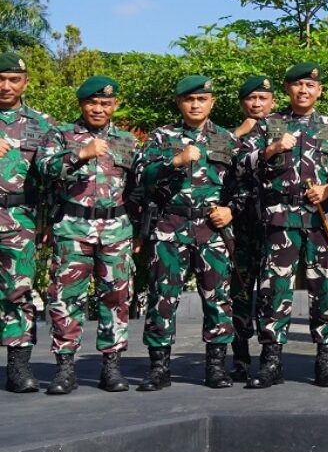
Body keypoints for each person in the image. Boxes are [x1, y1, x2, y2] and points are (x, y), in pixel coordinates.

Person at [239, 62, 328, 389]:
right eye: (297, 85)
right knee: (275, 288)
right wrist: (272, 148)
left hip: (320, 221)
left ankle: (326, 362)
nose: (304, 90)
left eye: (310, 86)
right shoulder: (268, 125)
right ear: (287, 89)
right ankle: (272, 361)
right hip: (280, 217)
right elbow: (241, 164)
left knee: (326, 288)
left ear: (319, 91)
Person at [134, 75, 244, 389]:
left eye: (201, 99)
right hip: (170, 226)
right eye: (188, 99)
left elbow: (246, 187)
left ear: (212, 102)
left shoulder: (226, 139)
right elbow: (143, 175)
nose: (195, 105)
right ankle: (158, 368)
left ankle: (216, 367)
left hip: (211, 229)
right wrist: (175, 161)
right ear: (179, 102)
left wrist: (231, 209)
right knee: (162, 297)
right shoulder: (161, 137)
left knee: (217, 298)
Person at [38, 75, 139, 394]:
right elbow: (43, 169)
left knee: (116, 298)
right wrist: (80, 153)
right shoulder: (62, 134)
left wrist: (138, 230)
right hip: (73, 229)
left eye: (105, 103)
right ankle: (65, 368)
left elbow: (136, 189)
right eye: (92, 102)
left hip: (116, 231)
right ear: (82, 104)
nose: (98, 108)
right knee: (66, 298)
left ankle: (111, 366)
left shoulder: (127, 140)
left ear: (115, 105)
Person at [0, 52, 54, 393]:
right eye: (0, 79)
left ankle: (18, 368)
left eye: (13, 79)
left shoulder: (42, 124)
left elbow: (54, 177)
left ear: (25, 82)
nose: (6, 86)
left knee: (18, 291)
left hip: (19, 218)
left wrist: (50, 220)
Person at [228, 75, 274, 382]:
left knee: (271, 291)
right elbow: (213, 163)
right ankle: (240, 357)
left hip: (273, 223)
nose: (256, 104)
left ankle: (270, 357)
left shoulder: (282, 129)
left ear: (273, 101)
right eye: (251, 98)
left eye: (262, 98)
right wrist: (236, 135)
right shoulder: (228, 134)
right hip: (240, 224)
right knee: (240, 292)